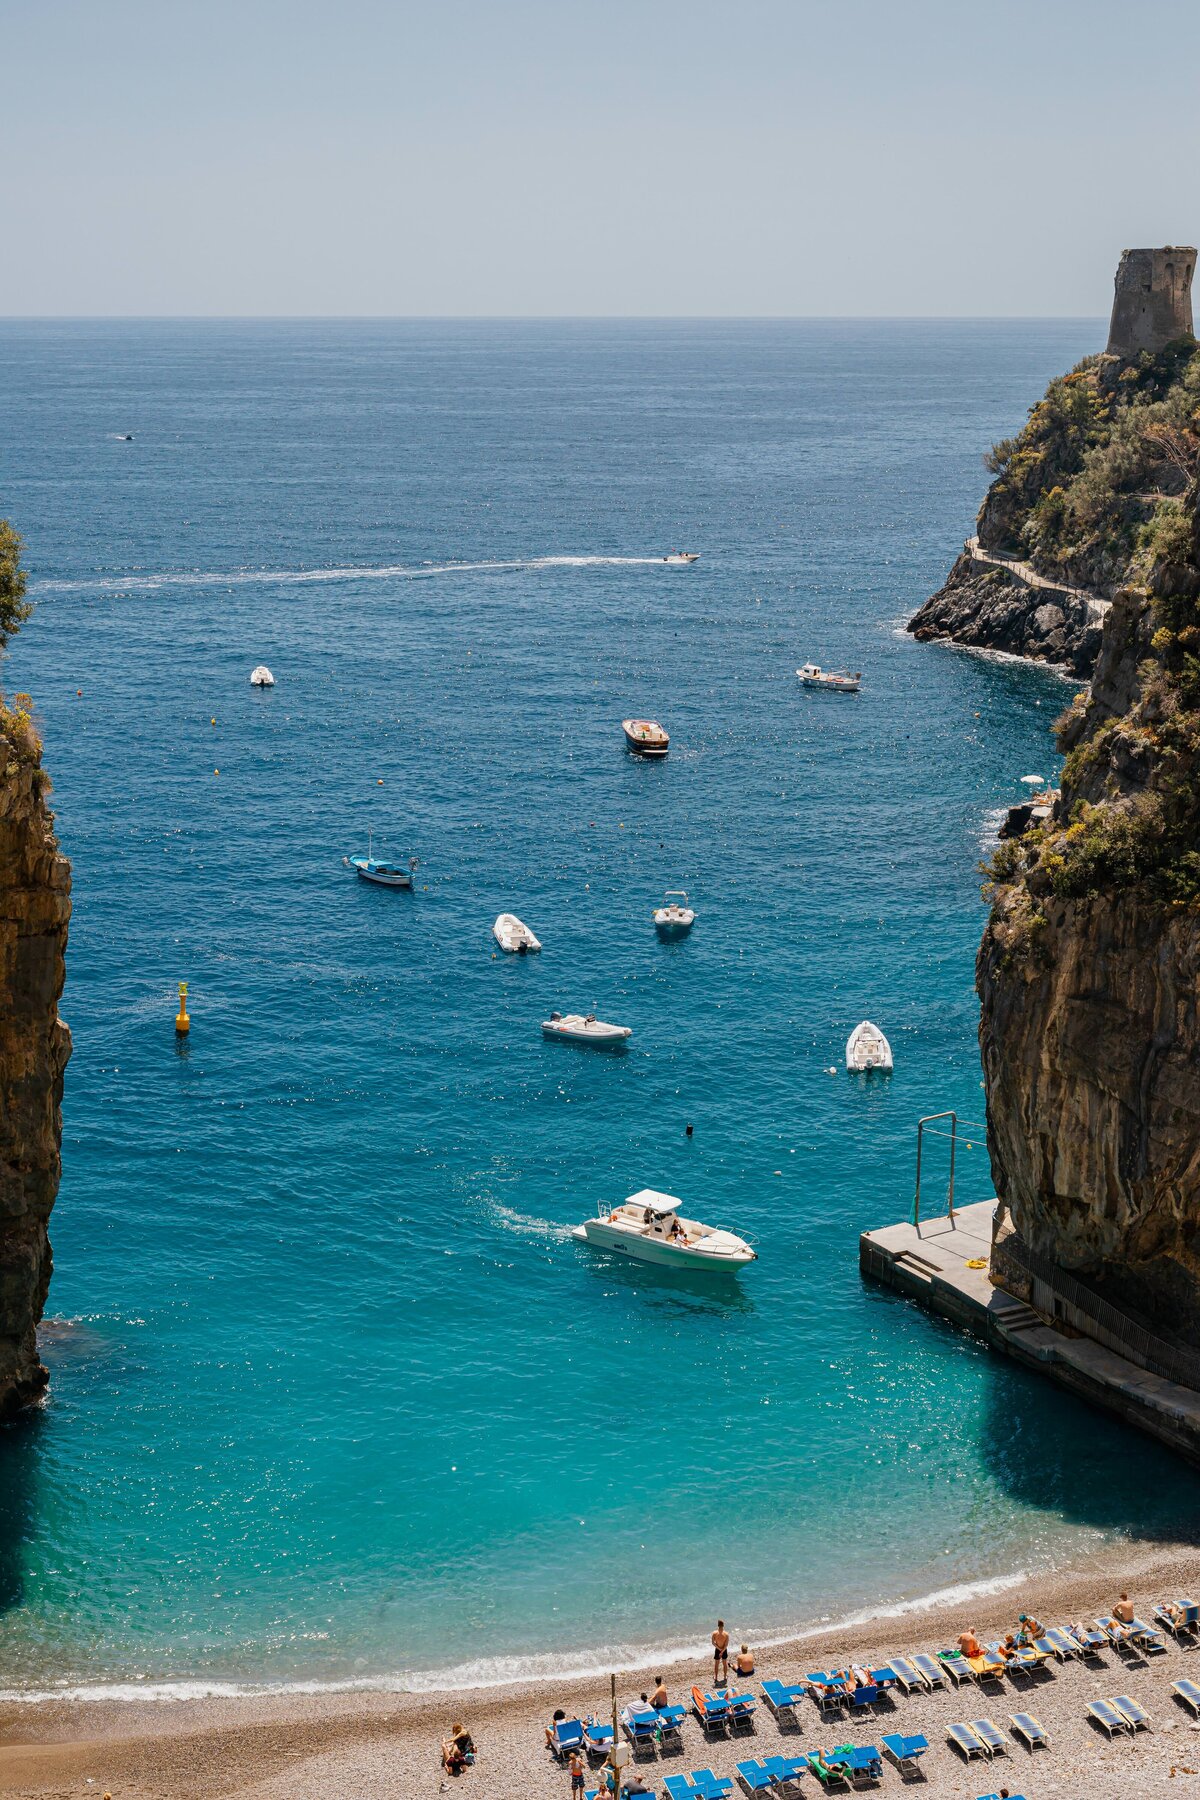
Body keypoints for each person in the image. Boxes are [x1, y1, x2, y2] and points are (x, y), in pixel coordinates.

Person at [712, 1619, 730, 1683]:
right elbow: (726, 1644)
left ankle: (716, 1677)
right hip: (724, 1650)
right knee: (724, 1664)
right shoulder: (726, 1634)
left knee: (716, 1664)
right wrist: (722, 1651)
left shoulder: (714, 1633)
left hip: (717, 1650)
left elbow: (713, 1643)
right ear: (723, 1625)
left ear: (718, 1625)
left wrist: (719, 1650)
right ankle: (725, 1676)